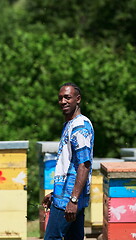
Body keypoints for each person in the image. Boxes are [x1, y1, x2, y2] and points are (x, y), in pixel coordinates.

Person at [42, 83, 94, 240]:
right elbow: (68, 165)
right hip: (67, 196)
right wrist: (55, 193)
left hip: (68, 199)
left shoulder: (80, 126)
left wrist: (73, 199)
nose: (63, 101)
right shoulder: (70, 124)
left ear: (78, 99)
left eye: (67, 97)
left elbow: (84, 164)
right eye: (60, 98)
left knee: (52, 238)